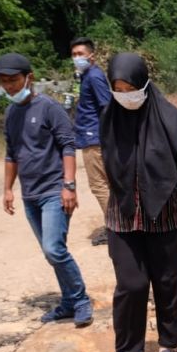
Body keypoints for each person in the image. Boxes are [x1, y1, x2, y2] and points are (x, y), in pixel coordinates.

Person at [99, 53, 177, 352]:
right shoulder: (108, 119)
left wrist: (163, 191)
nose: (124, 95)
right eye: (118, 88)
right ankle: (125, 349)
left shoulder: (172, 120)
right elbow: (107, 166)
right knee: (131, 284)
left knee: (168, 282)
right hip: (123, 218)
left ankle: (168, 347)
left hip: (169, 218)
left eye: (130, 88)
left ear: (143, 84)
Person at [0, 52, 94, 328]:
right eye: (4, 81)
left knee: (54, 249)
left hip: (55, 190)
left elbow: (67, 146)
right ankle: (68, 303)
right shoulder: (11, 113)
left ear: (30, 77)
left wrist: (69, 185)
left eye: (13, 80)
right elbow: (11, 154)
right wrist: (7, 189)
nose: (9, 86)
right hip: (31, 195)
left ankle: (81, 300)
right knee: (51, 251)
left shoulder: (50, 108)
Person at [70, 37, 113, 245]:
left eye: (80, 54)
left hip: (95, 139)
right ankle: (117, 224)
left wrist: (107, 136)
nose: (77, 58)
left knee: (99, 185)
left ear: (91, 56)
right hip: (92, 137)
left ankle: (115, 228)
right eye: (74, 54)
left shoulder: (94, 76)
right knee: (106, 184)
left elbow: (106, 106)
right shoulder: (87, 76)